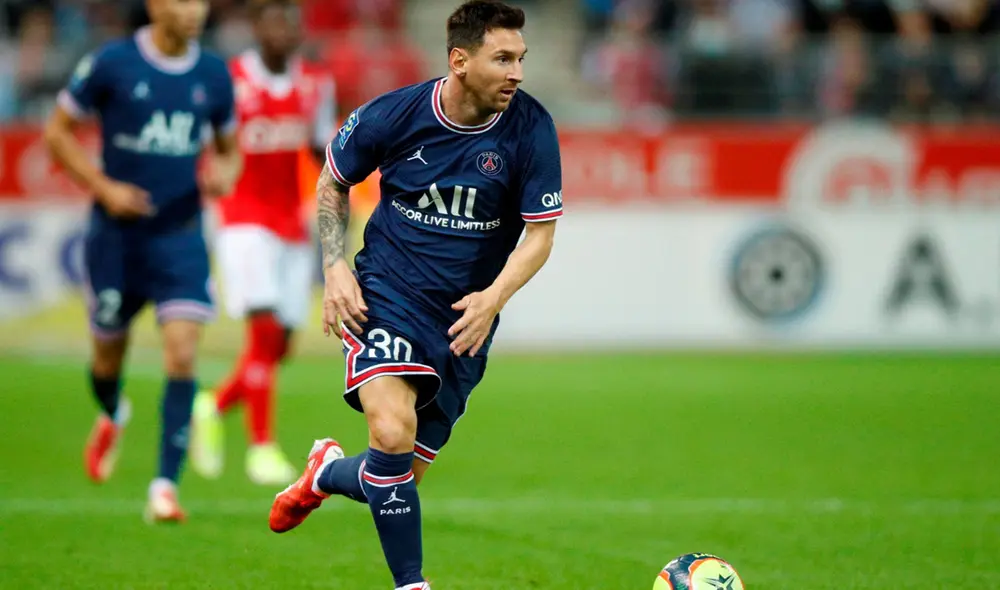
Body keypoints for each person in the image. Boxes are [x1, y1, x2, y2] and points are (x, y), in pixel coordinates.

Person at [268, 1, 563, 588]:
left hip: (465, 319)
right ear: (460, 60)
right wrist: (333, 268)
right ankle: (412, 584)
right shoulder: (394, 115)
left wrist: (493, 297)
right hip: (387, 293)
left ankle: (325, 474)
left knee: (396, 475)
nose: (517, 73)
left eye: (521, 59)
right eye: (502, 58)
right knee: (390, 434)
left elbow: (540, 233)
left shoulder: (531, 127)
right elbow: (333, 180)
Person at [43, 0, 241, 523]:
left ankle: (163, 488)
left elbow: (229, 148)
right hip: (117, 239)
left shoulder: (214, 74)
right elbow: (56, 132)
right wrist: (104, 187)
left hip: (179, 236)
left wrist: (224, 172)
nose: (195, 10)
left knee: (181, 355)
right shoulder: (112, 63)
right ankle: (114, 411)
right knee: (107, 360)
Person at [188, 0, 336, 487]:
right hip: (241, 218)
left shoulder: (316, 85)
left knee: (282, 345)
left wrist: (339, 190)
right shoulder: (229, 80)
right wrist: (206, 176)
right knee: (264, 330)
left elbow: (320, 150)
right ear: (257, 29)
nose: (283, 33)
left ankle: (212, 404)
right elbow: (204, 139)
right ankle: (260, 448)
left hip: (290, 223)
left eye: (290, 25)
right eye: (274, 23)